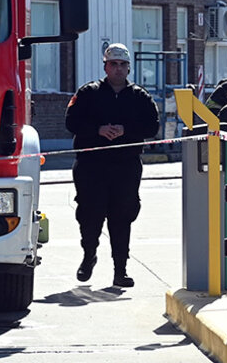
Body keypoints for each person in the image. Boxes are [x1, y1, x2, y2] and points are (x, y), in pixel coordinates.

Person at [65, 43, 160, 287]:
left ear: (129, 69)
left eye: (122, 65)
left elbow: (152, 126)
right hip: (91, 166)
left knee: (122, 216)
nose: (118, 69)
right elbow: (71, 122)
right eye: (113, 64)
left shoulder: (140, 96)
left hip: (125, 166)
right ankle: (89, 255)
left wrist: (126, 130)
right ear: (105, 66)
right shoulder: (88, 93)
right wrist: (98, 130)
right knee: (89, 215)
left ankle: (121, 270)